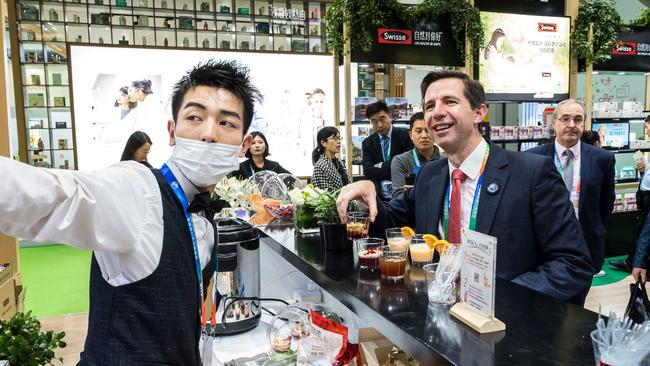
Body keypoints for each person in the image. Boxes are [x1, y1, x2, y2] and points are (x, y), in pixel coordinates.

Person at [0, 60, 260, 364]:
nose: (208, 133)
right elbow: (55, 196)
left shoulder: (208, 218)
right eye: (195, 117)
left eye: (226, 123)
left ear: (243, 146)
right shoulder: (138, 189)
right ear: (172, 131)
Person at [336, 70, 594, 304]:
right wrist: (367, 194)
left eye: (449, 101)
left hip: (503, 334)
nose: (436, 112)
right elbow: (392, 222)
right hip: (439, 320)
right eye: (429, 105)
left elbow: (573, 264)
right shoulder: (430, 176)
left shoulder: (531, 173)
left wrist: (497, 299)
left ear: (479, 113)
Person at [528, 99, 615, 280]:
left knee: (578, 302)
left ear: (584, 122)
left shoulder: (602, 159)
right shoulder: (532, 158)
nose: (571, 125)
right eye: (565, 119)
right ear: (554, 123)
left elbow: (606, 203)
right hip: (543, 244)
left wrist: (594, 227)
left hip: (585, 244)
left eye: (578, 119)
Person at [612, 115, 650, 273]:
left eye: (648, 127)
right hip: (645, 196)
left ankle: (637, 264)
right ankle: (634, 262)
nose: (646, 131)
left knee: (645, 232)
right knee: (642, 230)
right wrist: (644, 171)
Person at [361, 101, 413, 201]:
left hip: (404, 196)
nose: (379, 125)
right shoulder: (367, 143)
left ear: (390, 116)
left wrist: (380, 165)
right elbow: (368, 171)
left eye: (382, 119)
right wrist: (396, 168)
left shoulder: (406, 136)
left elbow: (408, 166)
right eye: (374, 121)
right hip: (380, 198)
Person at [390, 112, 441, 198]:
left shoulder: (447, 160)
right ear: (411, 135)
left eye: (428, 130)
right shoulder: (401, 161)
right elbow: (399, 197)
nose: (424, 136)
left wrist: (414, 190)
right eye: (419, 131)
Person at [311, 126, 349, 191]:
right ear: (324, 143)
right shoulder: (320, 166)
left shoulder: (340, 163)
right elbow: (327, 195)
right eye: (335, 138)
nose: (339, 141)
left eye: (339, 138)